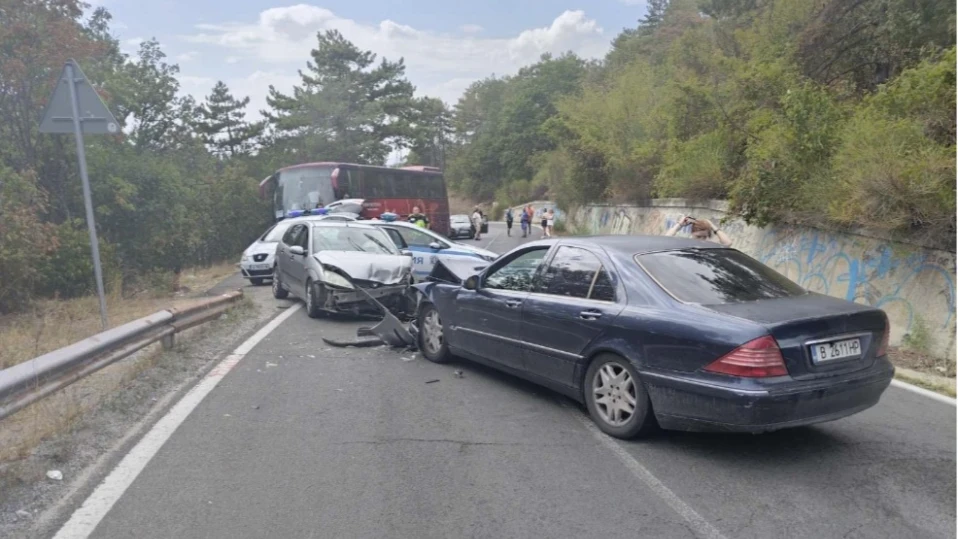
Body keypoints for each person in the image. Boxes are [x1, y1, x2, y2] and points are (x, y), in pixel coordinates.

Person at [665, 215, 733, 246]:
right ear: (692, 233)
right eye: (698, 236)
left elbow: (728, 243)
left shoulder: (710, 248)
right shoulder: (685, 246)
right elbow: (665, 240)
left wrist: (711, 225)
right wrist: (679, 225)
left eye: (704, 237)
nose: (702, 240)